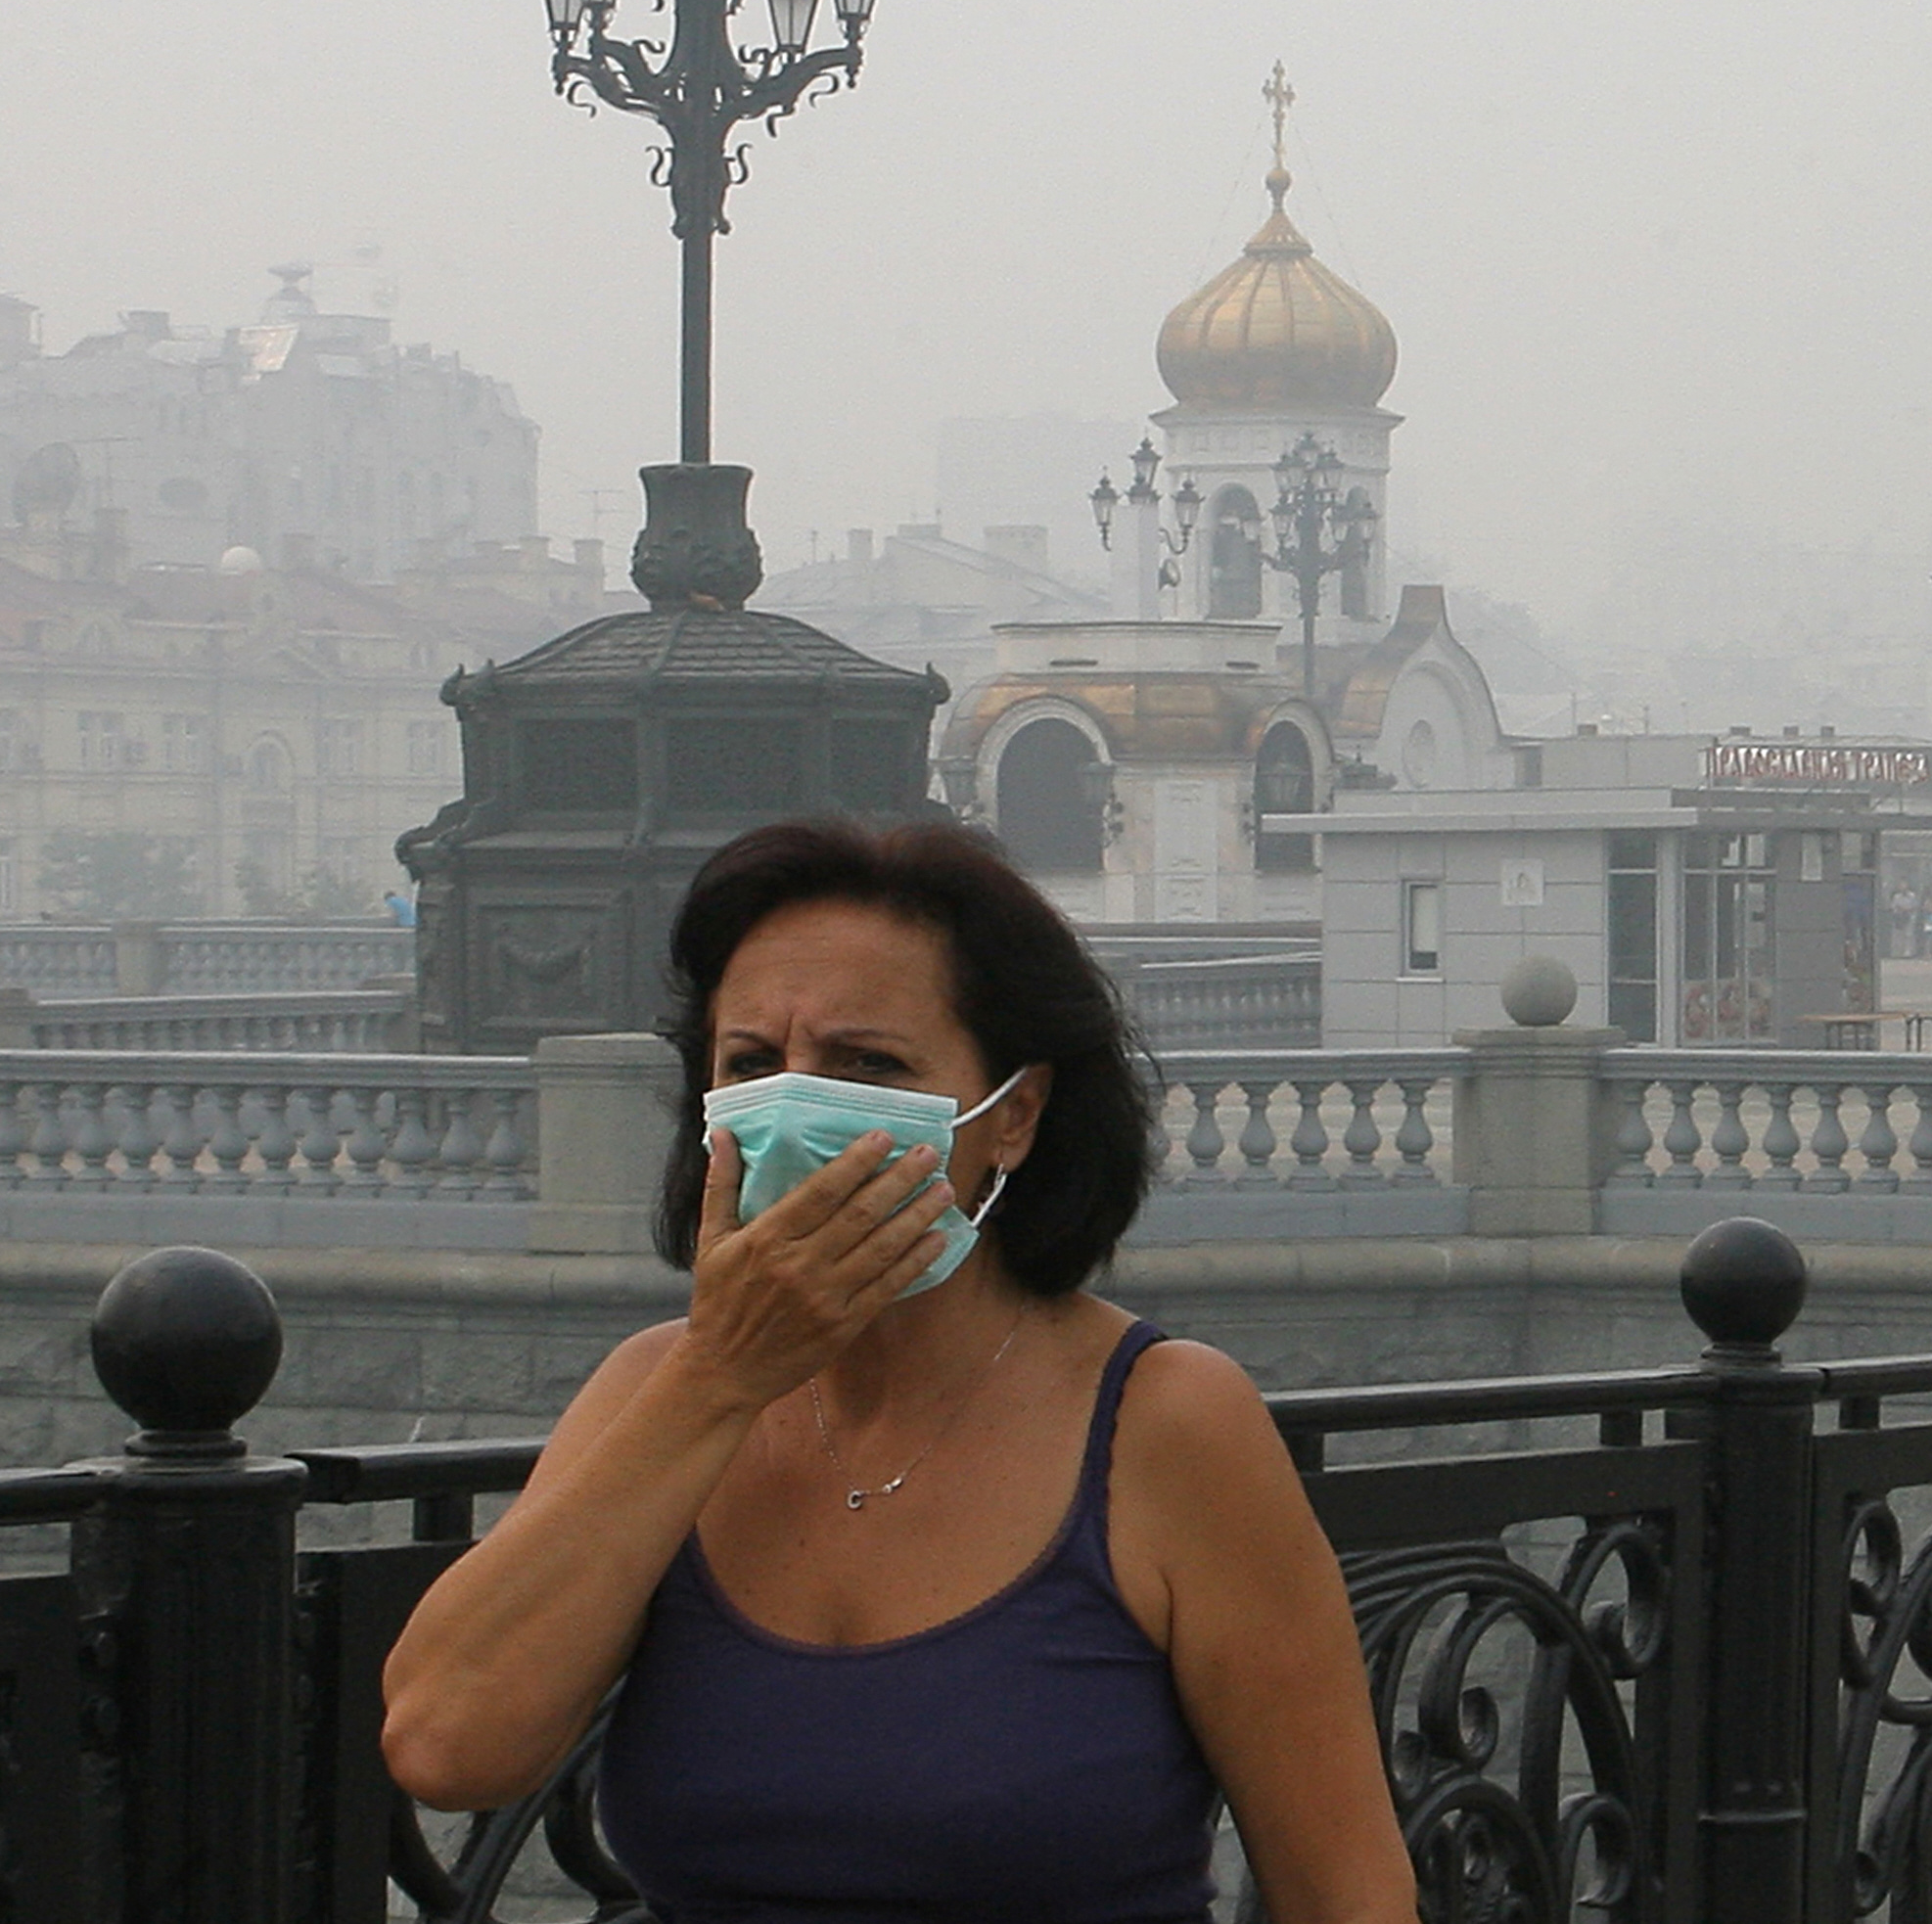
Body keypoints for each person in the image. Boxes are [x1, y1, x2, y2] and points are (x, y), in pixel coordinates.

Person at [381, 819, 1414, 1923]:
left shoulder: (1167, 1424)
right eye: (749, 1064)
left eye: (866, 1065)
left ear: (1010, 1114)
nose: (797, 1106)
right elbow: (447, 1741)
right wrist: (716, 1382)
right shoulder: (661, 1394)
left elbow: (1343, 1889)